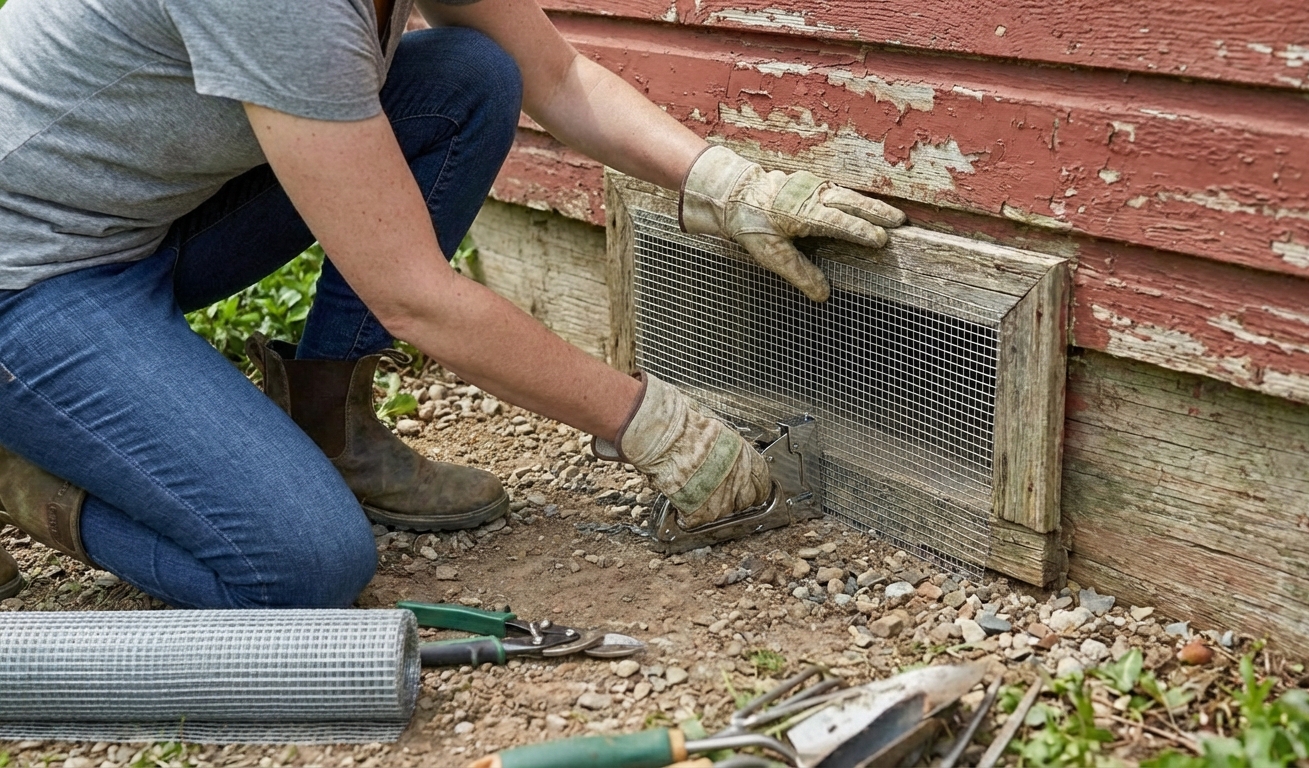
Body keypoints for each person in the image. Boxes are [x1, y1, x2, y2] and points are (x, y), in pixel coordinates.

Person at [0, 0, 904, 608]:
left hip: (136, 220)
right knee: (302, 565)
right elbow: (413, 297)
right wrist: (651, 422)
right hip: (28, 276)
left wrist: (728, 181)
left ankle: (328, 428)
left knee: (468, 75)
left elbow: (559, 78)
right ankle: (28, 475)